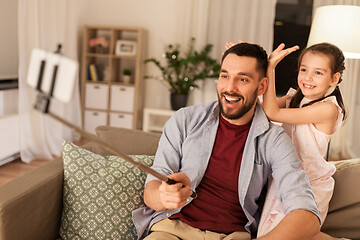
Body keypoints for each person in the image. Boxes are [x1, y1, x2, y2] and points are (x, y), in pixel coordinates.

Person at [132, 42, 321, 240]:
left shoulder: (274, 140)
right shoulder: (184, 120)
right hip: (171, 229)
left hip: (231, 236)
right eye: (225, 76)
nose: (229, 88)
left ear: (262, 86)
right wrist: (163, 196)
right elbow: (151, 191)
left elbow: (307, 215)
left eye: (243, 79)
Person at [257, 42, 347, 240]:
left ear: (334, 78)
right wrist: (248, 72)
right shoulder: (293, 97)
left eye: (318, 73)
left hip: (309, 184)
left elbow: (273, 113)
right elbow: (260, 111)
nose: (307, 77)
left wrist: (270, 68)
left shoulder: (328, 109)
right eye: (304, 69)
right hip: (284, 177)